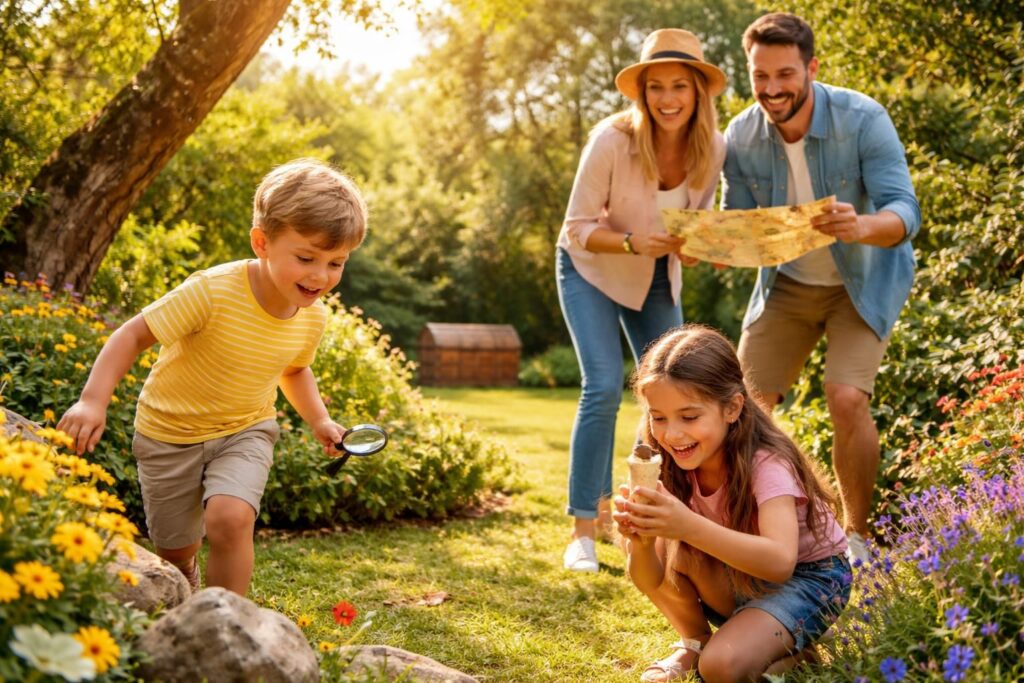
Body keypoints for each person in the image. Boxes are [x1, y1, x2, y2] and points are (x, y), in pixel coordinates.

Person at [58, 158, 367, 596]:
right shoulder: (212, 291)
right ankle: (186, 580)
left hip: (246, 429)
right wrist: (93, 401)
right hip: (168, 434)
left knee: (232, 517)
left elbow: (294, 369)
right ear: (262, 242)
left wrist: (320, 421)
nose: (321, 276)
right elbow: (132, 335)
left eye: (337, 263)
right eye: (306, 258)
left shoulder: (310, 317)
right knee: (176, 552)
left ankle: (227, 622)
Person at [721, 12, 921, 562]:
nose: (772, 89)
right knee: (741, 405)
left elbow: (907, 210)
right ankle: (761, 528)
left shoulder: (862, 118)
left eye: (784, 74)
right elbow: (735, 220)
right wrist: (713, 245)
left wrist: (861, 225)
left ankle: (856, 538)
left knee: (846, 397)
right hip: (786, 285)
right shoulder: (741, 133)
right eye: (760, 76)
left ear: (811, 67)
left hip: (862, 281)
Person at [556, 28, 727, 573]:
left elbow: (692, 227)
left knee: (676, 391)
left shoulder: (712, 148)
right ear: (642, 92)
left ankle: (652, 515)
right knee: (604, 385)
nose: (668, 98)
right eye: (656, 86)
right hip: (591, 269)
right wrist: (630, 241)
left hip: (655, 276)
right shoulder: (611, 139)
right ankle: (585, 528)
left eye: (680, 85)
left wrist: (699, 249)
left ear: (699, 91)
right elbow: (577, 227)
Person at [613, 325, 850, 682]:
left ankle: (787, 646)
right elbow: (649, 578)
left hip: (811, 580)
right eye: (658, 417)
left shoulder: (767, 463)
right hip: (741, 577)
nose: (672, 434)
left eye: (689, 417)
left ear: (732, 407)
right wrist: (640, 543)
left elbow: (780, 562)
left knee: (721, 668)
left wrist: (687, 526)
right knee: (662, 536)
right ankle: (695, 642)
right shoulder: (668, 464)